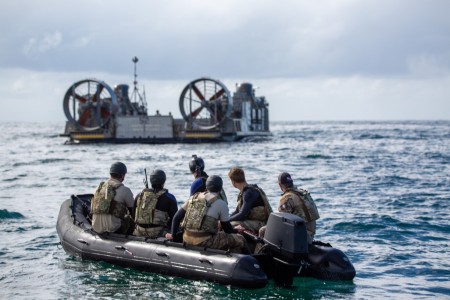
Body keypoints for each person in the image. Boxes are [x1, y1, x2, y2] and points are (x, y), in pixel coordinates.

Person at [165, 175, 246, 253]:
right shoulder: (221, 204)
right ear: (220, 189)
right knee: (240, 239)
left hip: (186, 239)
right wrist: (237, 230)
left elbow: (176, 218)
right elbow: (227, 230)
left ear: (206, 187)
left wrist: (173, 236)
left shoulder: (193, 197)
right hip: (204, 241)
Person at [259, 172, 320, 243]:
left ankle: (266, 252)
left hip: (301, 237)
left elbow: (282, 223)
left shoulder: (287, 198)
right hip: (311, 235)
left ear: (280, 185)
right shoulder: (303, 193)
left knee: (262, 230)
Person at [91, 162, 135, 234]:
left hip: (96, 227)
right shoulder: (125, 190)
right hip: (114, 229)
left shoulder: (100, 187)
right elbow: (133, 214)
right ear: (122, 175)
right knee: (130, 221)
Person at [133, 169, 178, 238]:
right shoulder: (169, 198)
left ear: (151, 181)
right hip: (158, 233)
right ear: (163, 182)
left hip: (139, 231)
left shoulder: (139, 196)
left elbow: (133, 215)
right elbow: (175, 220)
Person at [228, 167, 272, 233]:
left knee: (231, 225)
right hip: (261, 221)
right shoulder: (251, 189)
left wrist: (226, 221)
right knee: (228, 223)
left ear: (233, 182)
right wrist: (226, 219)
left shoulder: (248, 193)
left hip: (262, 223)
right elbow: (237, 211)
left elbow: (242, 215)